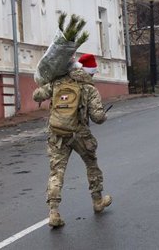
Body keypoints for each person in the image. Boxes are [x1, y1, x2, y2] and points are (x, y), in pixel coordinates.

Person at [33, 53, 112, 228]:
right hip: (80, 134)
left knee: (56, 172)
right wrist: (104, 115)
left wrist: (47, 81)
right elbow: (97, 117)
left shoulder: (57, 82)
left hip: (57, 134)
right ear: (90, 72)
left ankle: (53, 212)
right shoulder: (89, 88)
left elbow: (37, 96)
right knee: (92, 165)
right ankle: (98, 201)